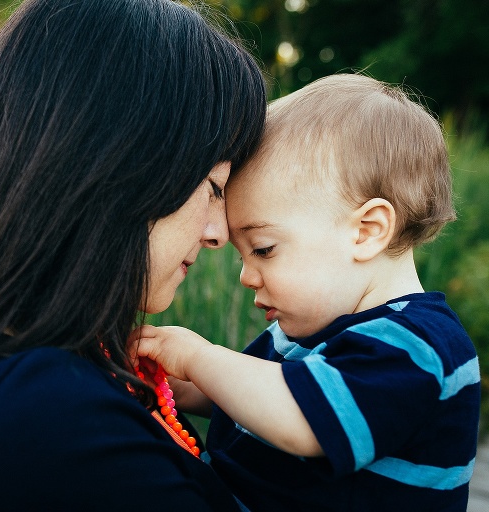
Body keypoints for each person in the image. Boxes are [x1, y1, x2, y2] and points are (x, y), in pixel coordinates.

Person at [0, 0, 266, 510]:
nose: (219, 232)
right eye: (213, 186)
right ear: (123, 159)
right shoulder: (38, 417)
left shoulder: (21, 368)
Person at [133, 74, 481, 511]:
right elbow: (253, 399)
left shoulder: (419, 347)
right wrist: (178, 385)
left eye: (263, 249)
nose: (246, 276)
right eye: (244, 256)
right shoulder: (306, 329)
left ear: (366, 231)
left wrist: (193, 355)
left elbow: (298, 418)